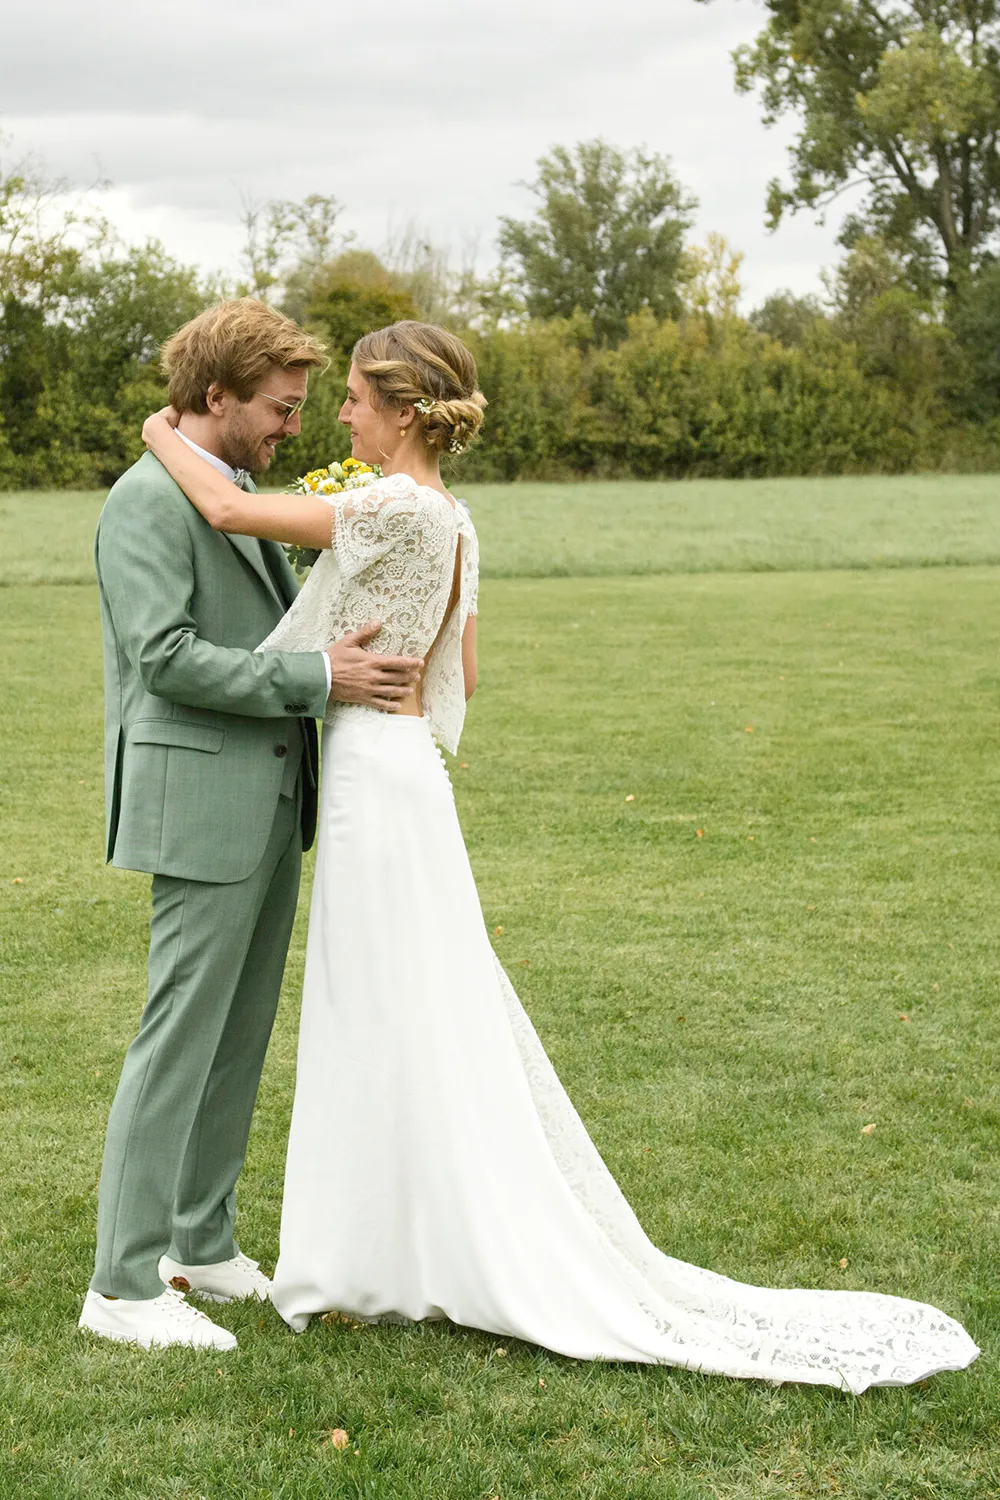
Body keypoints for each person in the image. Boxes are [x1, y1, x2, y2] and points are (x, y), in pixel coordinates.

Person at [139, 318, 978, 1391]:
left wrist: (166, 426)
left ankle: (374, 1249)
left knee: (374, 1000)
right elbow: (464, 674)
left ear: (400, 408)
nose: (338, 415)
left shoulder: (392, 502)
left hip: (366, 777)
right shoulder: (453, 519)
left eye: (351, 397)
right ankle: (391, 1238)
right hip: (406, 776)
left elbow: (222, 504)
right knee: (408, 1000)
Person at [80, 300, 422, 1352]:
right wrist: (322, 676)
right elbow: (167, 657)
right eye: (277, 408)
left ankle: (201, 1241)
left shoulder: (229, 488)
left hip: (272, 797)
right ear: (215, 395)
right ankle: (123, 1285)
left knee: (237, 1037)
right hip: (199, 801)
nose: (291, 428)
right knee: (179, 1035)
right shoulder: (147, 503)